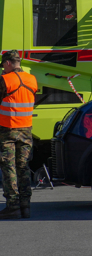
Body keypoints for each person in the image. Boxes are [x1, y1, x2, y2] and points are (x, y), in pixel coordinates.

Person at [1, 50, 38, 219]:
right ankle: (25, 205)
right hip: (26, 129)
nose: (3, 68)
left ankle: (13, 206)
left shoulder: (5, 80)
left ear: (8, 63)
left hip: (8, 129)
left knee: (9, 166)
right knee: (23, 166)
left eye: (3, 65)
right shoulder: (32, 79)